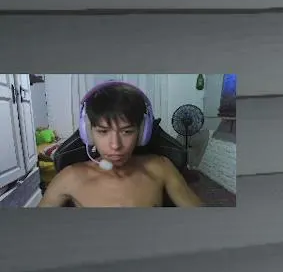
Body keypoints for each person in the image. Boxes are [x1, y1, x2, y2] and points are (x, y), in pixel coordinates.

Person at [39, 83, 203, 207]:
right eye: (103, 131)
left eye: (127, 131)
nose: (115, 145)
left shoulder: (161, 167)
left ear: (142, 133)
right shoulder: (69, 177)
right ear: (88, 133)